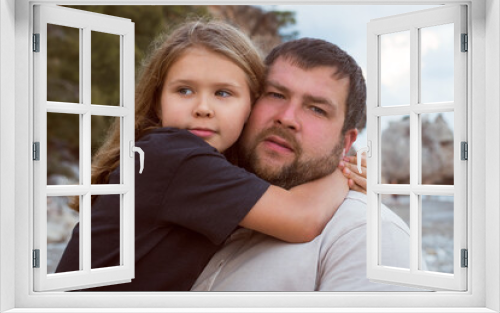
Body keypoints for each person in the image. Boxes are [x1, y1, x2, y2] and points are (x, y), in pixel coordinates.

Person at [55, 21, 350, 291]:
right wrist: (343, 171)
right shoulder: (173, 158)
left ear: (251, 106)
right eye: (184, 90)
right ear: (158, 102)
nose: (203, 108)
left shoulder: (191, 163)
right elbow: (301, 219)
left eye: (223, 93)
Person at [191, 38, 414, 291]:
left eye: (317, 109)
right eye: (275, 94)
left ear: (346, 141)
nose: (286, 118)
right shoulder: (203, 192)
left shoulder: (368, 236)